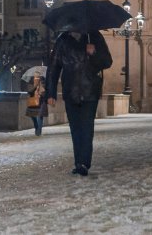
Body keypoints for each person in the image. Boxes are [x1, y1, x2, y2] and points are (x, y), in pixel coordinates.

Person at [46, 29, 113, 177]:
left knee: (87, 127)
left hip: (90, 90)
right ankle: (78, 162)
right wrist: (50, 93)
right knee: (75, 129)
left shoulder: (94, 36)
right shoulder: (62, 40)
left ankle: (84, 163)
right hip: (70, 90)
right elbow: (53, 66)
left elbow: (107, 61)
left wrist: (93, 53)